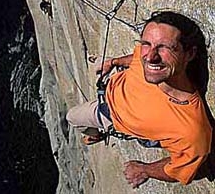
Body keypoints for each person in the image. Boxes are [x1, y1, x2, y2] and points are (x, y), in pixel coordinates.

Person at [66, 11, 212, 188]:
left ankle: (95, 134)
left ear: (189, 54)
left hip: (107, 115)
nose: (151, 56)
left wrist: (144, 170)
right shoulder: (153, 65)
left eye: (165, 47)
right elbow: (137, 59)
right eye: (146, 44)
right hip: (109, 88)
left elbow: (178, 170)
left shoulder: (191, 130)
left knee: (72, 117)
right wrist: (114, 62)